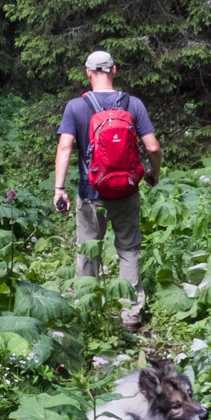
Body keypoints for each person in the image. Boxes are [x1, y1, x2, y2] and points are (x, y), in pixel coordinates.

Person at [53, 49, 160, 332]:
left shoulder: (76, 107)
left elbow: (64, 147)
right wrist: (153, 173)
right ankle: (131, 315)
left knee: (88, 250)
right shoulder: (133, 104)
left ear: (88, 73)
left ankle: (86, 310)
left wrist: (59, 188)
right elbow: (152, 147)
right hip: (126, 191)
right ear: (114, 70)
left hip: (91, 192)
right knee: (129, 249)